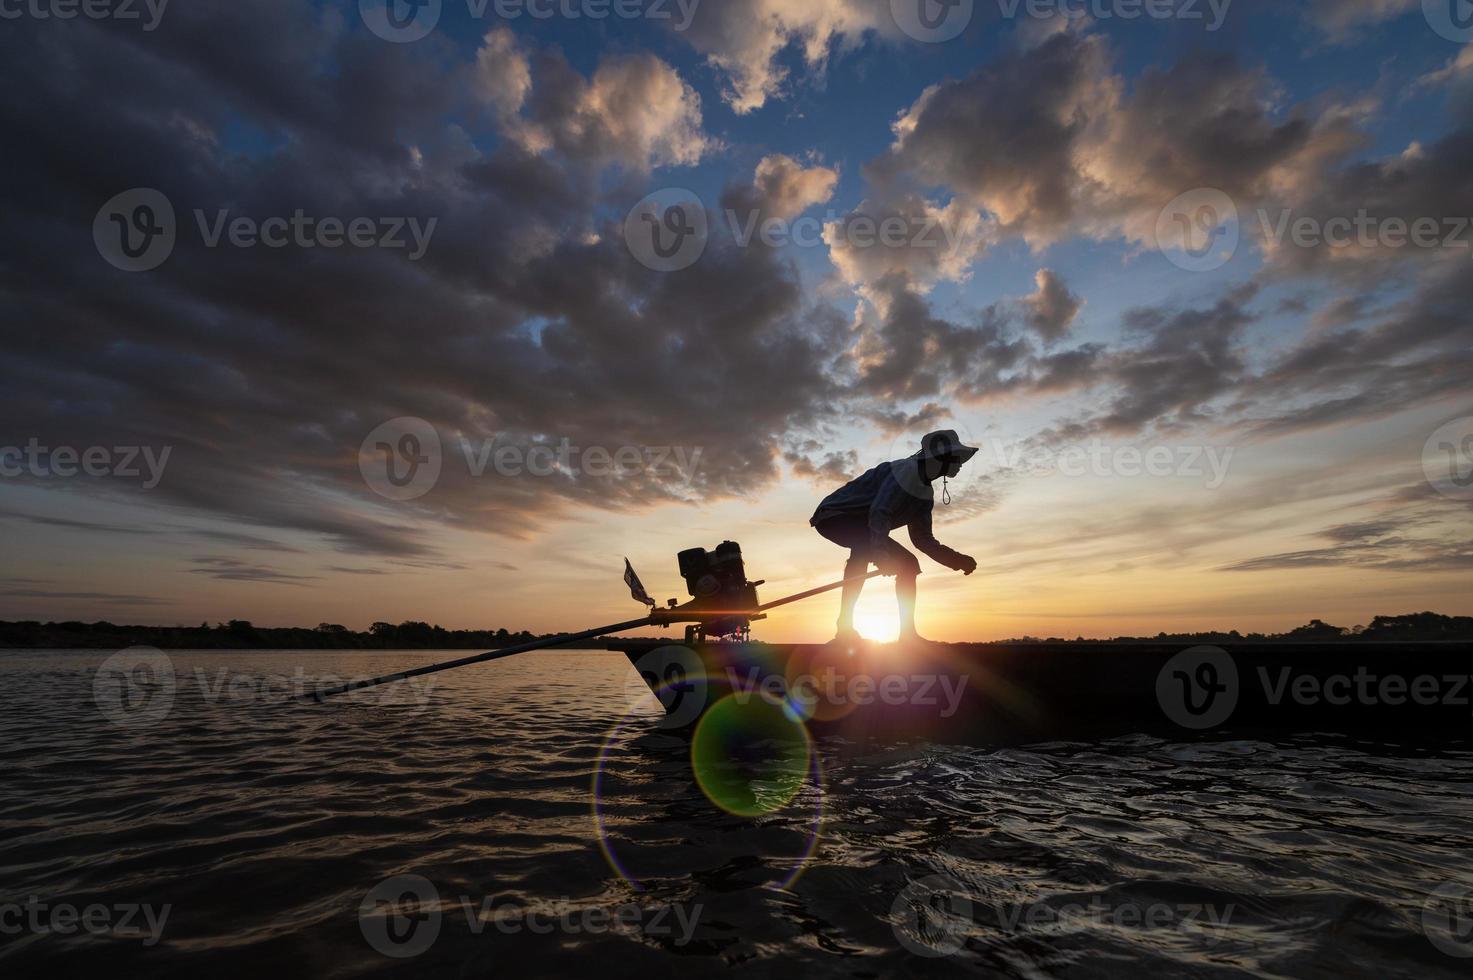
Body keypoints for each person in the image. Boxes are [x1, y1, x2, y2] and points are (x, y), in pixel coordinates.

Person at [810, 430, 979, 644]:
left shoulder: (925, 495)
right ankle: (844, 629)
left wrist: (956, 560)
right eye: (956, 459)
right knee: (863, 548)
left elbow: (923, 540)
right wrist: (881, 556)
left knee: (908, 564)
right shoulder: (906, 471)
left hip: (864, 524)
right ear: (939, 459)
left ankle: (907, 635)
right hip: (835, 515)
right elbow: (880, 512)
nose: (961, 464)